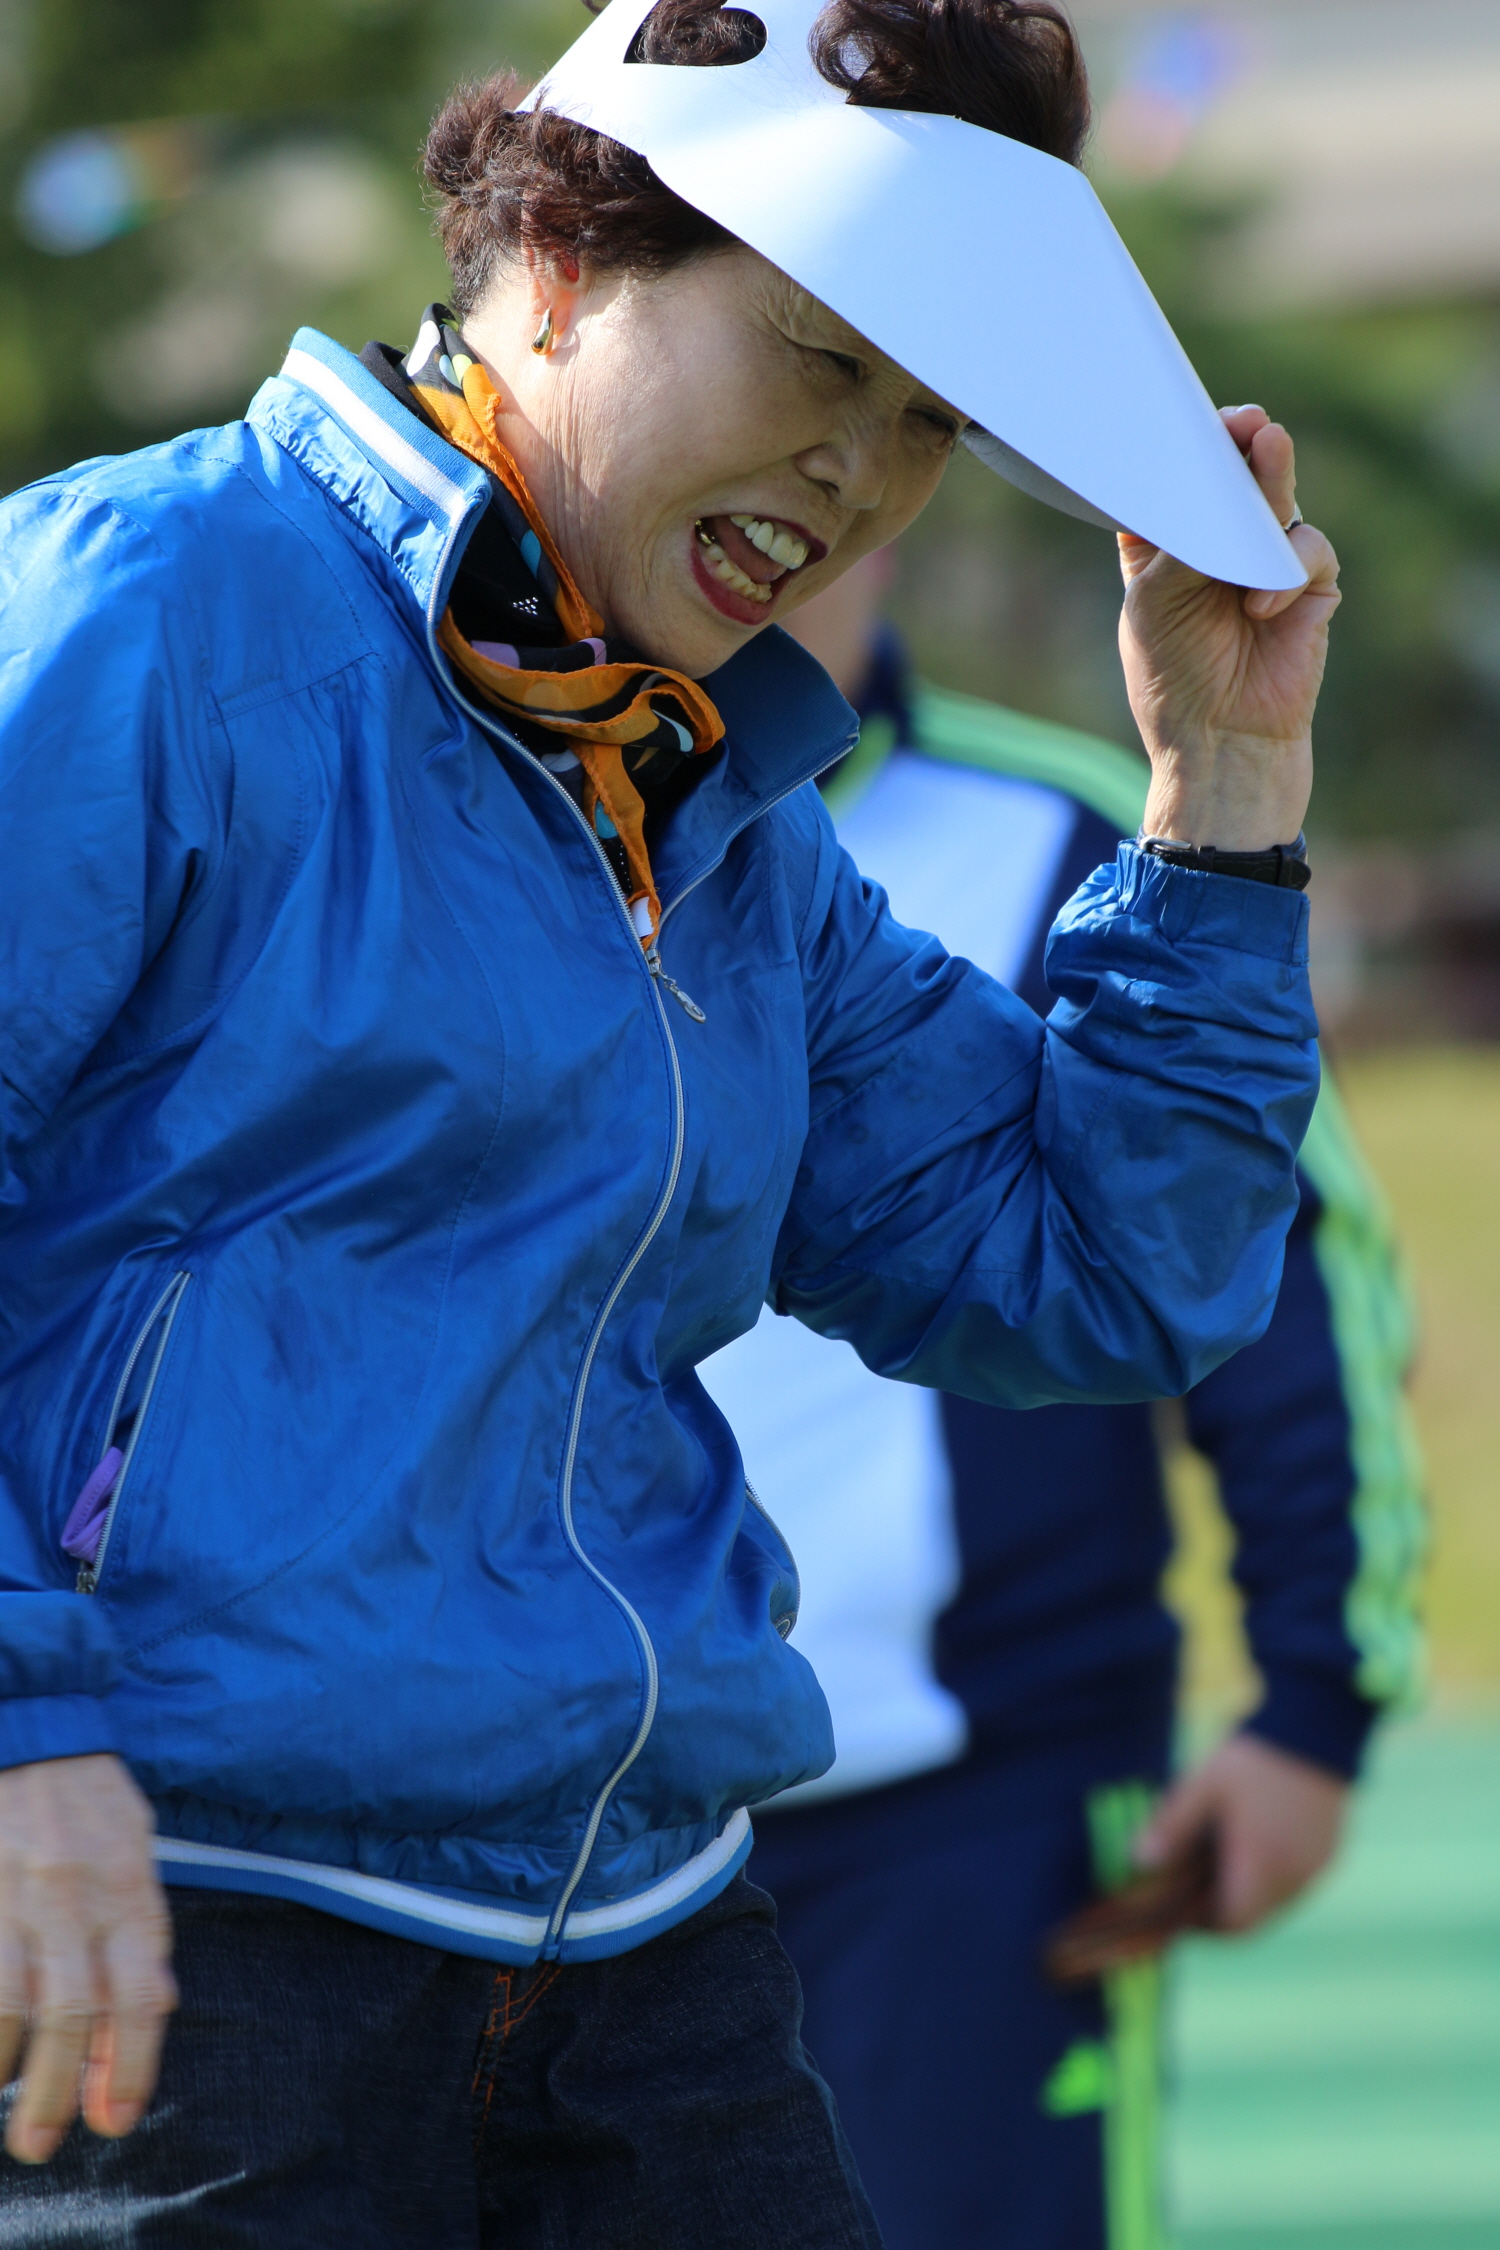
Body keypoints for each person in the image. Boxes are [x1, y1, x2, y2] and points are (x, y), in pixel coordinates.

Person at [0, 0, 1338, 2238]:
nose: (859, 478)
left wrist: (1224, 797)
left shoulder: (724, 818)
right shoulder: (149, 607)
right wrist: (21, 1735)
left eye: (926, 421)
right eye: (819, 359)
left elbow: (1110, 1275)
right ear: (554, 258)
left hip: (648, 1949)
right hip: (174, 1927)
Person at [702, 551, 1425, 2250]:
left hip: (981, 1808)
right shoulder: (498, 820)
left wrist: (1312, 1700)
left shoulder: (1079, 832)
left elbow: (1278, 1278)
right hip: (557, 1814)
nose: (788, 524)